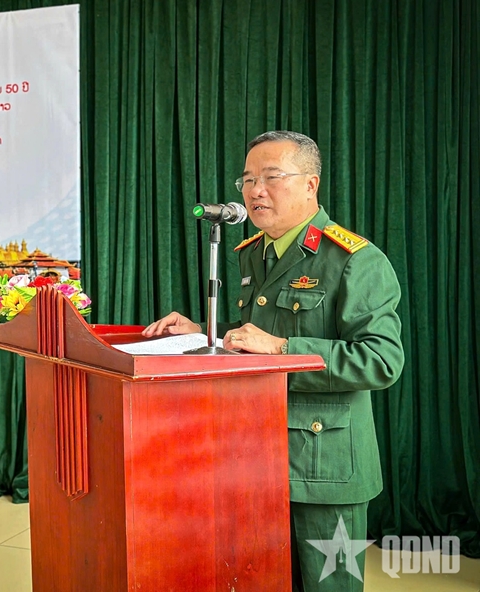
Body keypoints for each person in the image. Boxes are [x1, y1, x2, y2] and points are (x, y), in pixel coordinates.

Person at [142, 130, 404, 591]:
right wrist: (203, 333)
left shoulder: (353, 260)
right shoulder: (253, 253)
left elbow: (380, 361)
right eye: (247, 180)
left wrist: (283, 349)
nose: (255, 191)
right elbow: (255, 340)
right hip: (253, 458)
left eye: (271, 177)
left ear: (310, 184)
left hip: (324, 468)